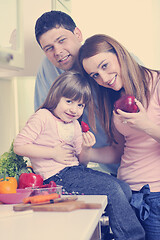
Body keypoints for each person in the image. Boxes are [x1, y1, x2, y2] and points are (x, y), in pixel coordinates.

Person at [14, 71, 145, 240]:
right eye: (69, 101)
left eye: (80, 105)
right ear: (56, 96)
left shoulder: (75, 125)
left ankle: (113, 231)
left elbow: (82, 163)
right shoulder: (43, 117)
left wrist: (86, 149)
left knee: (124, 188)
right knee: (111, 189)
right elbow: (19, 146)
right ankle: (134, 237)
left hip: (75, 171)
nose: (74, 109)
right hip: (55, 177)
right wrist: (53, 153)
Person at [78, 33, 160, 240]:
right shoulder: (115, 99)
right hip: (125, 195)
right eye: (95, 75)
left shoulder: (157, 82)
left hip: (155, 196)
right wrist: (86, 153)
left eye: (104, 66)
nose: (103, 79)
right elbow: (118, 151)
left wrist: (146, 126)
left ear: (119, 53)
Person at [34, 10, 119, 176]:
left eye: (62, 40)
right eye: (49, 48)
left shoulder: (106, 56)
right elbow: (45, 124)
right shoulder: (48, 68)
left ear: (78, 34)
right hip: (108, 165)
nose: (57, 51)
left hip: (145, 161)